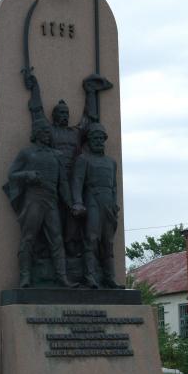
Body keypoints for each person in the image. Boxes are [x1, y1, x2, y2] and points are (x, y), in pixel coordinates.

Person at [23, 69, 112, 257]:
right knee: (54, 217)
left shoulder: (76, 132)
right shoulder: (48, 131)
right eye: (60, 113)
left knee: (75, 215)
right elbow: (37, 111)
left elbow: (89, 119)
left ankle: (72, 247)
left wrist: (90, 92)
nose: (64, 115)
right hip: (53, 180)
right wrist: (35, 88)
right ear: (54, 115)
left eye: (66, 113)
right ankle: (46, 251)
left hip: (74, 178)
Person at [3, 118, 78, 289]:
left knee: (57, 239)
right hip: (34, 199)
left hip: (51, 200)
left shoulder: (56, 155)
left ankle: (62, 278)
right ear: (36, 134)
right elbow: (12, 175)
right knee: (28, 238)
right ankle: (25, 277)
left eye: (48, 133)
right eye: (44, 132)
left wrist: (70, 204)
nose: (47, 135)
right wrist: (27, 174)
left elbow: (63, 184)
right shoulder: (27, 153)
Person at [71, 123, 121, 289]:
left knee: (108, 242)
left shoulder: (111, 162)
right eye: (95, 138)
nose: (99, 141)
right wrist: (78, 202)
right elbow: (77, 182)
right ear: (89, 141)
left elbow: (114, 187)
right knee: (91, 239)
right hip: (92, 200)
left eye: (101, 138)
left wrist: (114, 204)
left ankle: (109, 278)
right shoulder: (83, 159)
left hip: (108, 204)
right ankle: (90, 276)